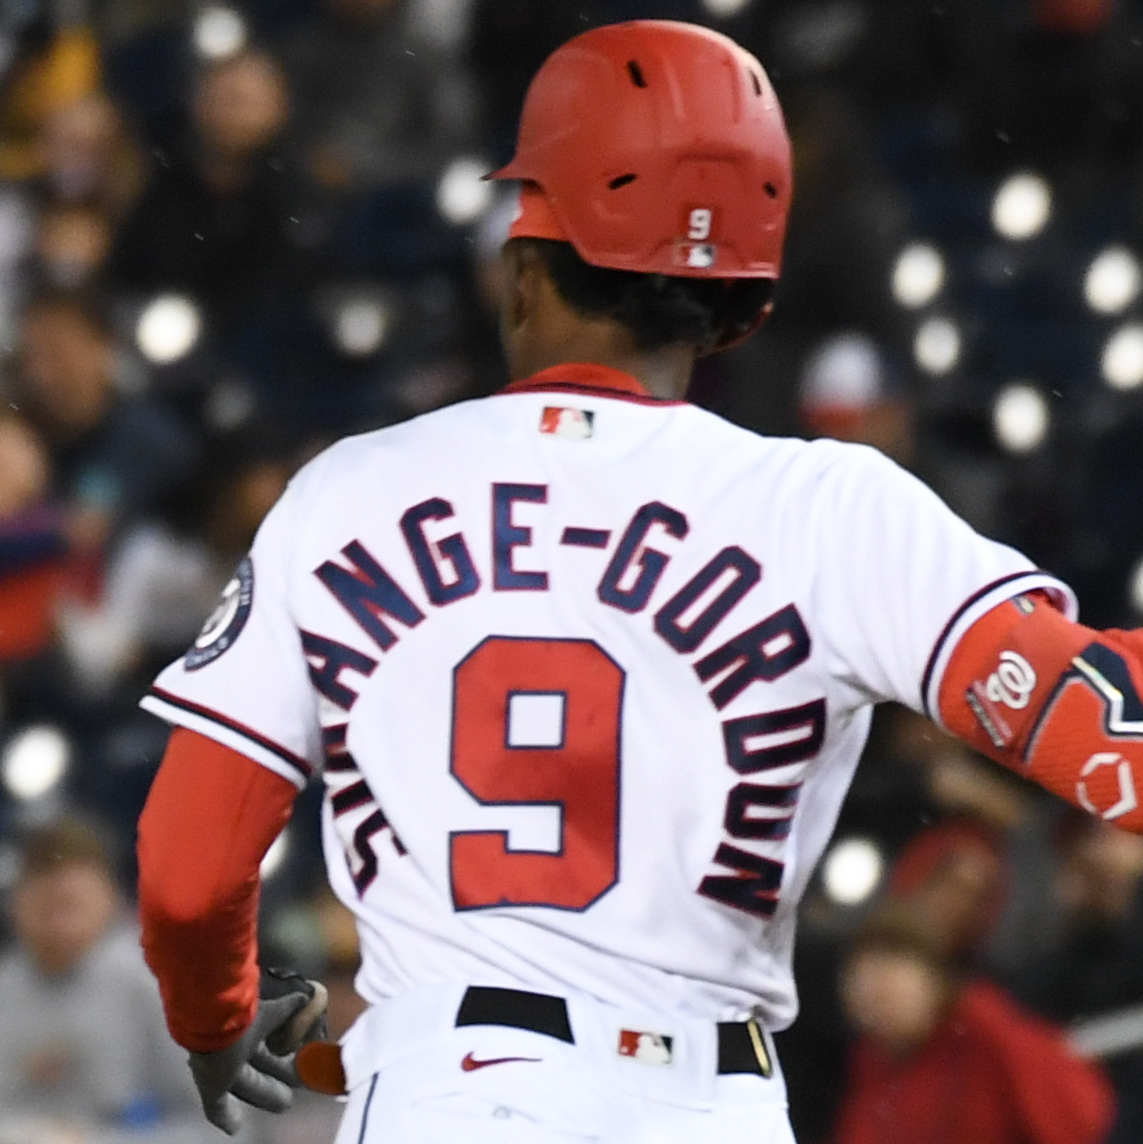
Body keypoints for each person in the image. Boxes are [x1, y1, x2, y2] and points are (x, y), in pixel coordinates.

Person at [134, 19, 1143, 1144]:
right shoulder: (832, 507)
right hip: (717, 1103)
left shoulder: (349, 493)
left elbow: (188, 871)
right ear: (738, 300)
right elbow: (1103, 725)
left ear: (522, 272)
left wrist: (216, 1015)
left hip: (462, 1088)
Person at [833, 903, 1113, 1144]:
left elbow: (1082, 1115)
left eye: (890, 984)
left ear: (934, 982)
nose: (876, 999)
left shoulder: (989, 1035)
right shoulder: (870, 1066)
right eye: (862, 984)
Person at [0, 817, 208, 1140]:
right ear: (13, 904)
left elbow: (222, 1127)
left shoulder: (162, 987)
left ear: (111, 898)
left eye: (70, 903)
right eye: (42, 888)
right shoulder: (6, 991)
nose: (56, 892)